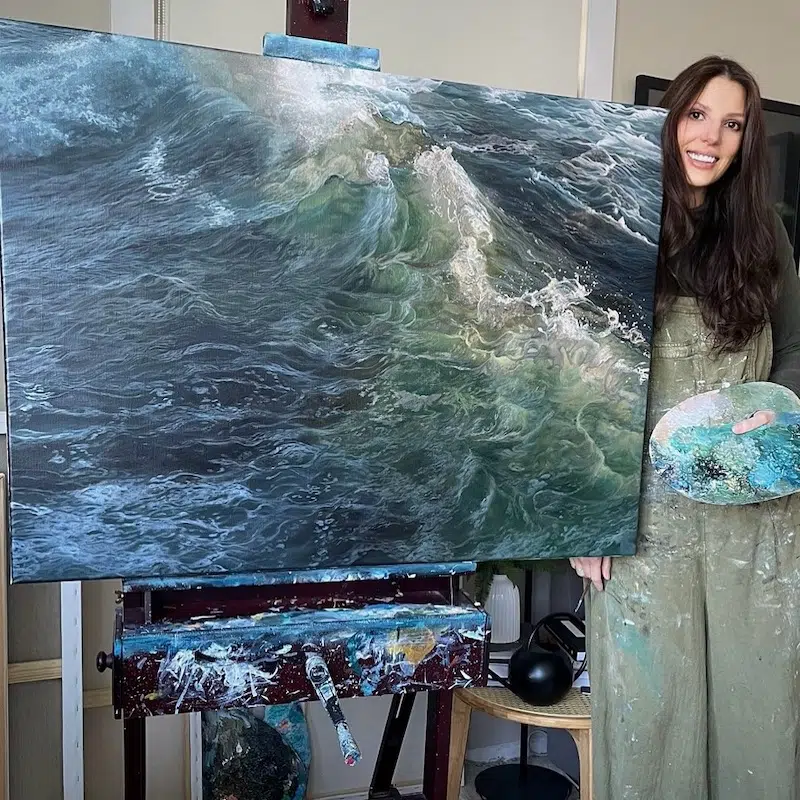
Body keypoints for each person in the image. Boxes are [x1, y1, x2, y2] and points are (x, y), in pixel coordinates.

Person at [570, 56, 800, 799]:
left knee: (759, 707)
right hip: (643, 512)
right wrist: (587, 515)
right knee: (650, 713)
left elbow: (796, 350)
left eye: (732, 124)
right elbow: (581, 376)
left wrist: (779, 404)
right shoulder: (618, 219)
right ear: (671, 119)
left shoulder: (764, 236)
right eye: (698, 115)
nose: (711, 138)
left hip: (758, 506)